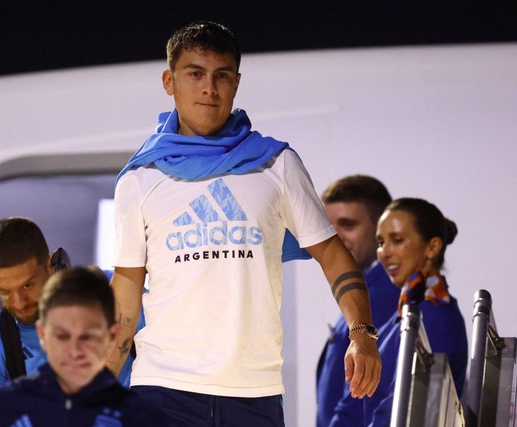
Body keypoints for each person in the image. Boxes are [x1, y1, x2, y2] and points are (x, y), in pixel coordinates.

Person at [108, 21, 381, 426]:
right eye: (195, 74)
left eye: (221, 76)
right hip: (162, 390)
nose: (209, 89)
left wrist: (362, 333)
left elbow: (334, 255)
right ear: (169, 81)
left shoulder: (277, 163)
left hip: (253, 392)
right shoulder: (140, 179)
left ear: (236, 83)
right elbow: (127, 287)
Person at [0, 267, 170, 426]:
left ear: (112, 335)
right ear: (43, 335)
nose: (74, 350)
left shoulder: (143, 418)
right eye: (62, 336)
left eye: (87, 336)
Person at [329, 198, 468, 426]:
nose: (385, 253)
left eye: (397, 240)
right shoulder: (408, 311)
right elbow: (355, 401)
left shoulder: (436, 316)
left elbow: (401, 412)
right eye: (381, 242)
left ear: (432, 247)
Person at [0, 217, 136, 404]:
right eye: (4, 291)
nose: (18, 303)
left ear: (50, 264)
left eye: (27, 285)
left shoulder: (115, 292)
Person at [316, 175, 400, 427]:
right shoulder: (365, 291)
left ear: (380, 230)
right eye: (327, 226)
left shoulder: (384, 298)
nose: (333, 238)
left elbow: (360, 400)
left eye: (347, 225)